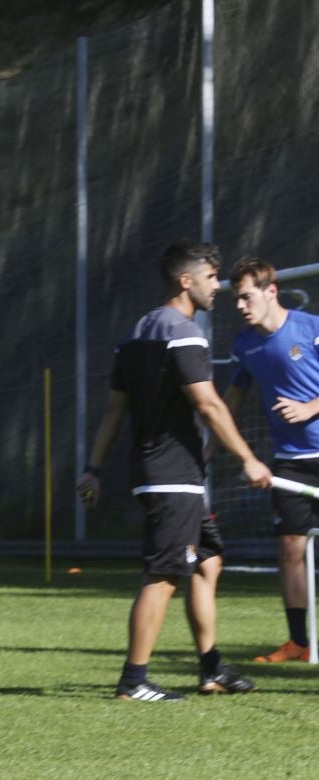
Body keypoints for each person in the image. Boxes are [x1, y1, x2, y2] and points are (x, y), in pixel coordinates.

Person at [78, 240, 271, 702]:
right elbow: (208, 404)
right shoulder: (183, 333)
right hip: (172, 475)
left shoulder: (134, 335)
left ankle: (211, 668)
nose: (218, 286)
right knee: (164, 574)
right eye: (210, 278)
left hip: (161, 472)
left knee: (207, 562)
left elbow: (114, 410)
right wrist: (247, 458)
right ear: (186, 281)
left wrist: (92, 468)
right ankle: (134, 680)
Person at [221, 255, 317, 664]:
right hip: (289, 462)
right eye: (236, 299)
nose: (240, 306)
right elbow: (231, 399)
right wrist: (211, 443)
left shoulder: (310, 328)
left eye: (247, 297)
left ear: (271, 291)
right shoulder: (244, 345)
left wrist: (311, 407)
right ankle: (299, 642)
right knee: (290, 548)